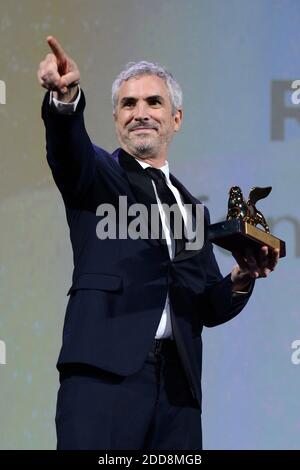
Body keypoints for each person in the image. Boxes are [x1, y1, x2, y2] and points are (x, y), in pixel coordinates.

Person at [38, 36, 279, 450]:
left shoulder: (193, 210)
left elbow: (204, 304)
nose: (140, 114)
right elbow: (67, 146)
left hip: (177, 392)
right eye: (128, 105)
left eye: (153, 102)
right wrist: (66, 100)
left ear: (176, 118)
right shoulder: (96, 176)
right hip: (103, 380)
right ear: (115, 118)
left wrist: (241, 278)